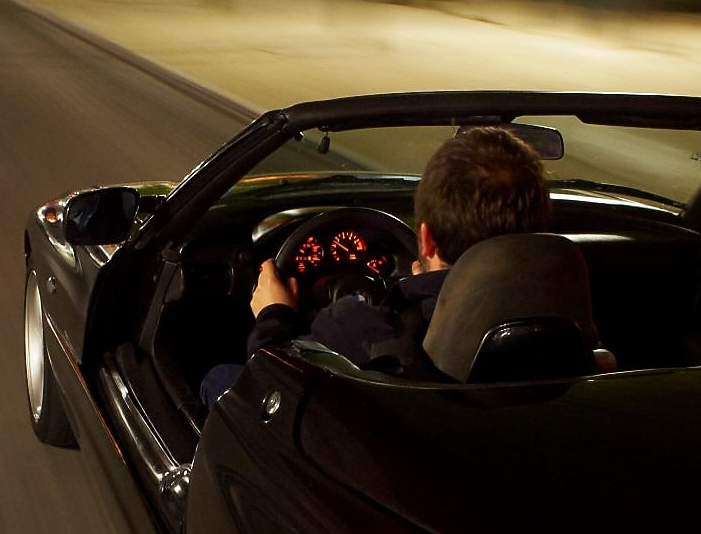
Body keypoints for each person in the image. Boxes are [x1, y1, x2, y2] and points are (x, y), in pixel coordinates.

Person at [201, 126, 552, 407]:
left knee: (218, 377)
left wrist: (273, 315)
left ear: (426, 239)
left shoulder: (359, 328)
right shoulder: (559, 323)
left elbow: (268, 391)